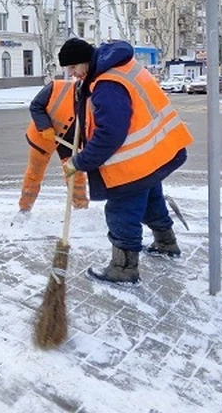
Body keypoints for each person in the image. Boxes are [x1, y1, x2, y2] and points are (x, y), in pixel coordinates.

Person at [58, 38, 194, 285]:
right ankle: (166, 243)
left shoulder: (108, 84)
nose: (72, 74)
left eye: (73, 68)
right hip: (154, 152)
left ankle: (123, 268)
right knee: (152, 200)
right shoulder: (120, 67)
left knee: (121, 211)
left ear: (84, 62)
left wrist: (79, 162)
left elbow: (109, 134)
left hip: (133, 161)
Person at [19, 78, 88, 214]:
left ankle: (81, 208)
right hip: (43, 137)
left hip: (70, 142)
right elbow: (36, 106)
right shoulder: (56, 87)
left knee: (75, 174)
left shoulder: (95, 99)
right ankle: (24, 209)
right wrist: (45, 126)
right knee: (34, 173)